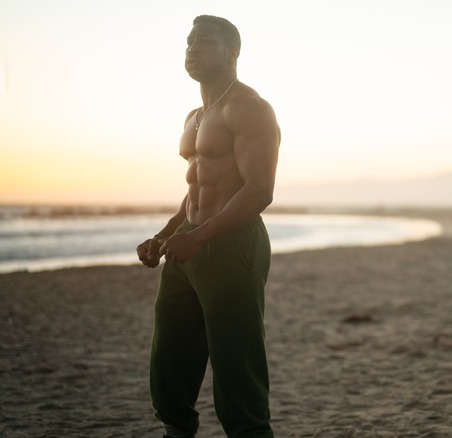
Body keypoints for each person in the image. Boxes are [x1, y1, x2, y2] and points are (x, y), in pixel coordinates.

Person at [136, 15, 280, 438]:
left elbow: (259, 192)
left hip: (232, 243)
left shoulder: (250, 108)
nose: (192, 50)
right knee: (170, 363)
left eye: (205, 42)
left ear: (233, 52)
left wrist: (197, 237)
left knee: (237, 367)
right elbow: (197, 187)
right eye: (188, 43)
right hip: (188, 245)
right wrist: (166, 235)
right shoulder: (194, 116)